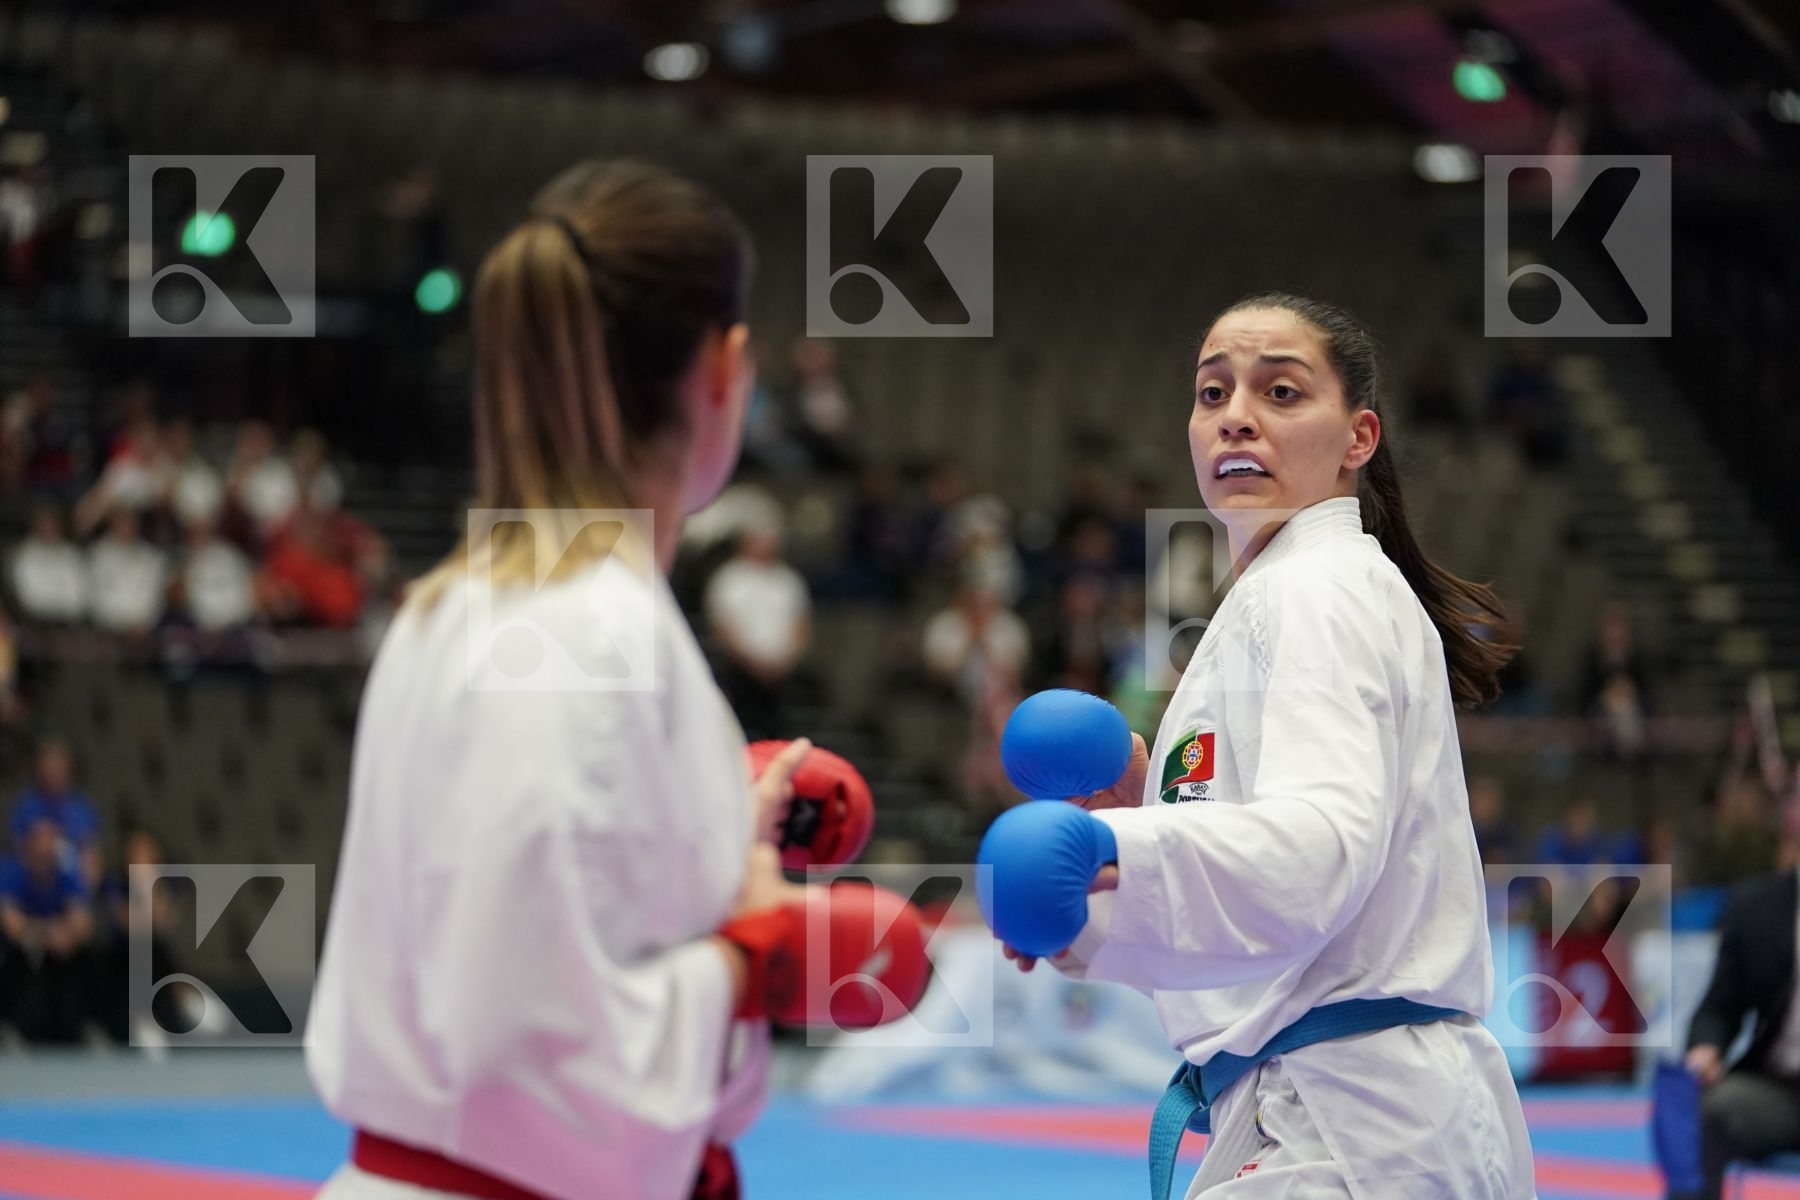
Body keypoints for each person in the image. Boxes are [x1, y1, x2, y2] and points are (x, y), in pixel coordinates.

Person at [306, 159, 925, 1200]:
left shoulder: (465, 605)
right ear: (727, 369)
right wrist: (756, 949)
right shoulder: (584, 629)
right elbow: (521, 1035)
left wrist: (724, 845)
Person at [989, 294, 1535, 1196]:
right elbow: (1295, 884)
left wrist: (1111, 848)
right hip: (1338, 1109)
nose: (1235, 414)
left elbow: (1318, 850)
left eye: (1281, 392)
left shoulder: (1315, 588)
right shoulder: (1288, 591)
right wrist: (1135, 831)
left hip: (1351, 1125)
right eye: (1212, 393)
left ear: (1359, 437)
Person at [1678, 834, 1800, 1200]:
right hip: (1780, 1093)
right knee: (1702, 1112)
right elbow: (1719, 1007)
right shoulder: (1757, 908)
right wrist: (1706, 1048)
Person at [0, 814, 93, 1044]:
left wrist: (65, 936)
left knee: (85, 957)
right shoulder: (11, 870)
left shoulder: (67, 872)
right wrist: (44, 933)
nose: (44, 846)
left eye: (50, 839)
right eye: (39, 839)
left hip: (58, 950)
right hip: (19, 951)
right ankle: (13, 1026)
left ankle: (80, 1025)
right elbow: (11, 923)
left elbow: (82, 922)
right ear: (28, 843)